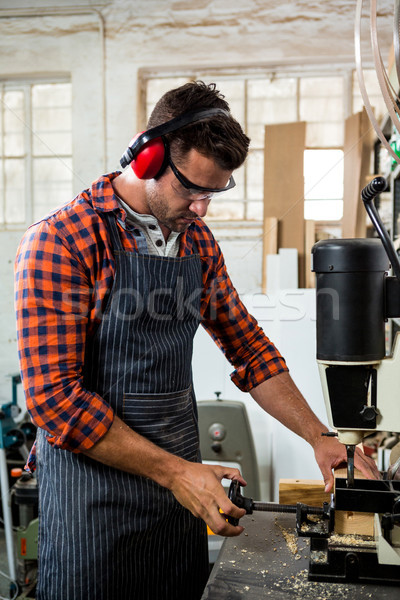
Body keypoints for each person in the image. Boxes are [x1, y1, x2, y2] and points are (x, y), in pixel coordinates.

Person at [14, 81, 379, 600]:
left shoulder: (196, 243)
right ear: (146, 158)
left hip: (183, 497)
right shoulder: (62, 240)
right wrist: (176, 473)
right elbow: (55, 403)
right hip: (92, 504)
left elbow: (248, 348)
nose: (202, 209)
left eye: (213, 193)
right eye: (190, 189)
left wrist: (320, 437)